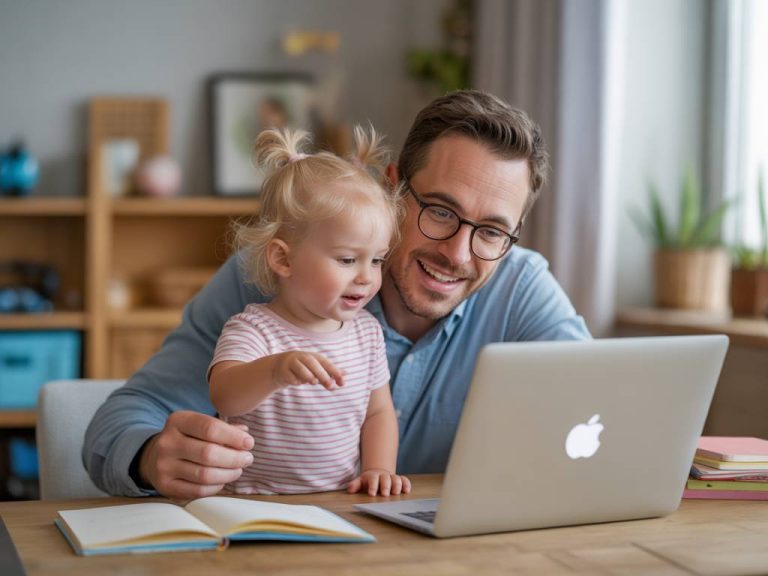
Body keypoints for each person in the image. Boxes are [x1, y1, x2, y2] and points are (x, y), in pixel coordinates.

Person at [84, 90, 591, 499]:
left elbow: (603, 415)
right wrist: (152, 456)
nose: (458, 254)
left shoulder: (521, 289)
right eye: (439, 210)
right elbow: (122, 419)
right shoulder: (271, 277)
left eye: (491, 232)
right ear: (393, 191)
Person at [209, 125, 409, 496]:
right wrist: (274, 371)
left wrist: (379, 469)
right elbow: (224, 396)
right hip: (256, 504)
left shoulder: (367, 333)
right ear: (283, 259)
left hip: (340, 503)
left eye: (378, 260)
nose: (366, 277)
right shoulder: (253, 329)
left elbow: (378, 412)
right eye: (348, 259)